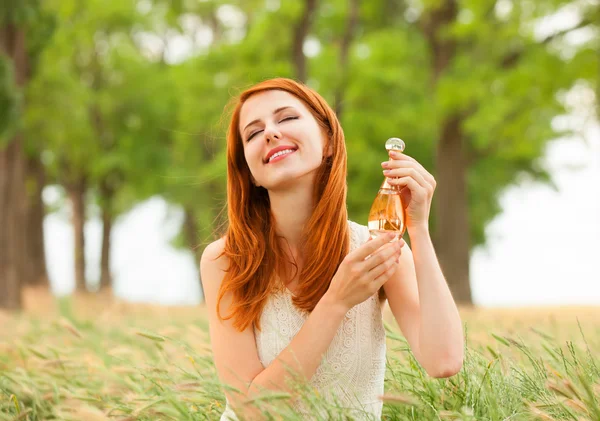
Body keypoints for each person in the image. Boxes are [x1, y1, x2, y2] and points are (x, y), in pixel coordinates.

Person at [200, 78, 464, 420]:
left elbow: (444, 361)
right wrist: (336, 301)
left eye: (286, 118)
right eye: (252, 133)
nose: (270, 133)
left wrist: (419, 229)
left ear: (328, 140)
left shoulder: (377, 251)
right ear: (250, 173)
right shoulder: (226, 261)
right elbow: (253, 412)